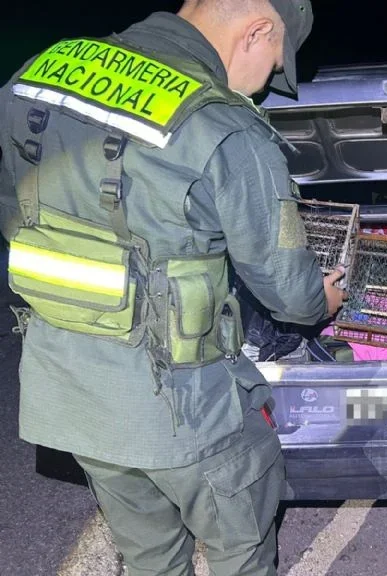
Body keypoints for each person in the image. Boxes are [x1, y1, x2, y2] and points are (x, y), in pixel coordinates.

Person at [0, 0, 344, 574]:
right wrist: (322, 299)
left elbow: (17, 210)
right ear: (259, 31)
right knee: (242, 548)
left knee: (149, 555)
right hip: (188, 410)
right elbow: (290, 291)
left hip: (71, 392)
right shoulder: (226, 129)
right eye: (273, 67)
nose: (263, 89)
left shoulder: (40, 71)